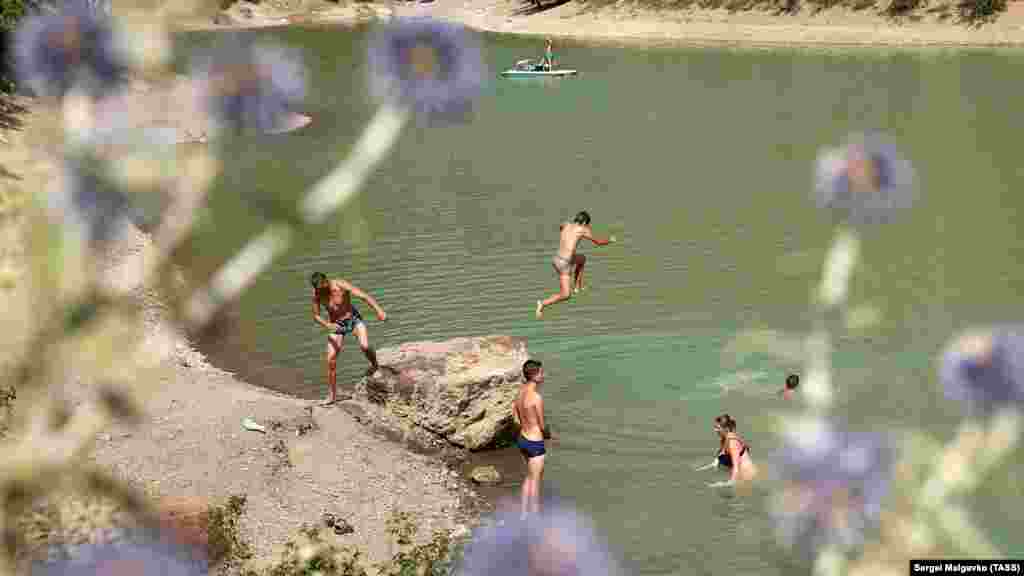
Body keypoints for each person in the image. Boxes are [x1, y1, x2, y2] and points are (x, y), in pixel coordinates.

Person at [310, 271, 387, 406]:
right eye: (319, 289)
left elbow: (363, 296)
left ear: (327, 281)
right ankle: (332, 396)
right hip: (336, 325)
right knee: (330, 360)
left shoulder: (340, 285)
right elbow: (316, 315)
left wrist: (379, 310)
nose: (322, 291)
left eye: (323, 287)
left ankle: (375, 365)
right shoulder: (317, 294)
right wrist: (327, 325)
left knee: (364, 346)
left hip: (353, 320)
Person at [536, 211, 615, 319]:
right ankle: (576, 287)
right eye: (587, 224)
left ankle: (542, 304)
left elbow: (561, 227)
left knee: (581, 259)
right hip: (565, 263)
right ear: (584, 223)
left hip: (556, 260)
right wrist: (610, 240)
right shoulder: (583, 229)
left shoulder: (566, 224)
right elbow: (598, 242)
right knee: (566, 295)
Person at [513, 359, 548, 518]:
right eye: (542, 372)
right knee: (536, 480)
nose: (544, 375)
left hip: (522, 439)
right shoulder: (536, 397)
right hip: (535, 442)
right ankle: (535, 516)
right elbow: (542, 425)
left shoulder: (520, 392)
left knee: (529, 476)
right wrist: (550, 436)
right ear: (535, 375)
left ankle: (523, 513)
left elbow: (515, 418)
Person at [713, 414, 757, 484]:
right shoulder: (725, 438)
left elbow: (736, 466)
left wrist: (728, 483)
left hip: (747, 476)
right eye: (715, 427)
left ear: (726, 429)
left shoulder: (732, 442)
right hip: (741, 473)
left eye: (718, 428)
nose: (715, 430)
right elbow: (720, 455)